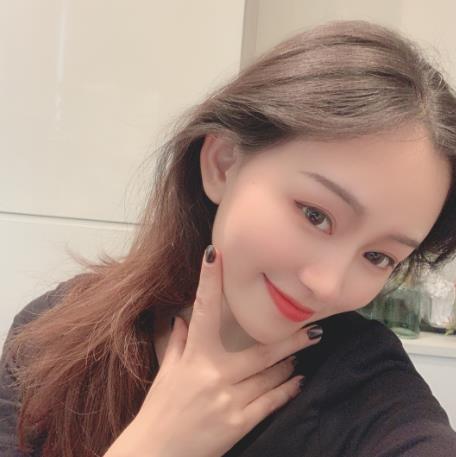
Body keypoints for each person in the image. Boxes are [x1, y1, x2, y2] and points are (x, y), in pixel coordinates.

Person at [1, 18, 456, 457]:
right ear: (223, 164)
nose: (327, 285)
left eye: (378, 256)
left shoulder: (370, 390)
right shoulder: (51, 334)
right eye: (315, 215)